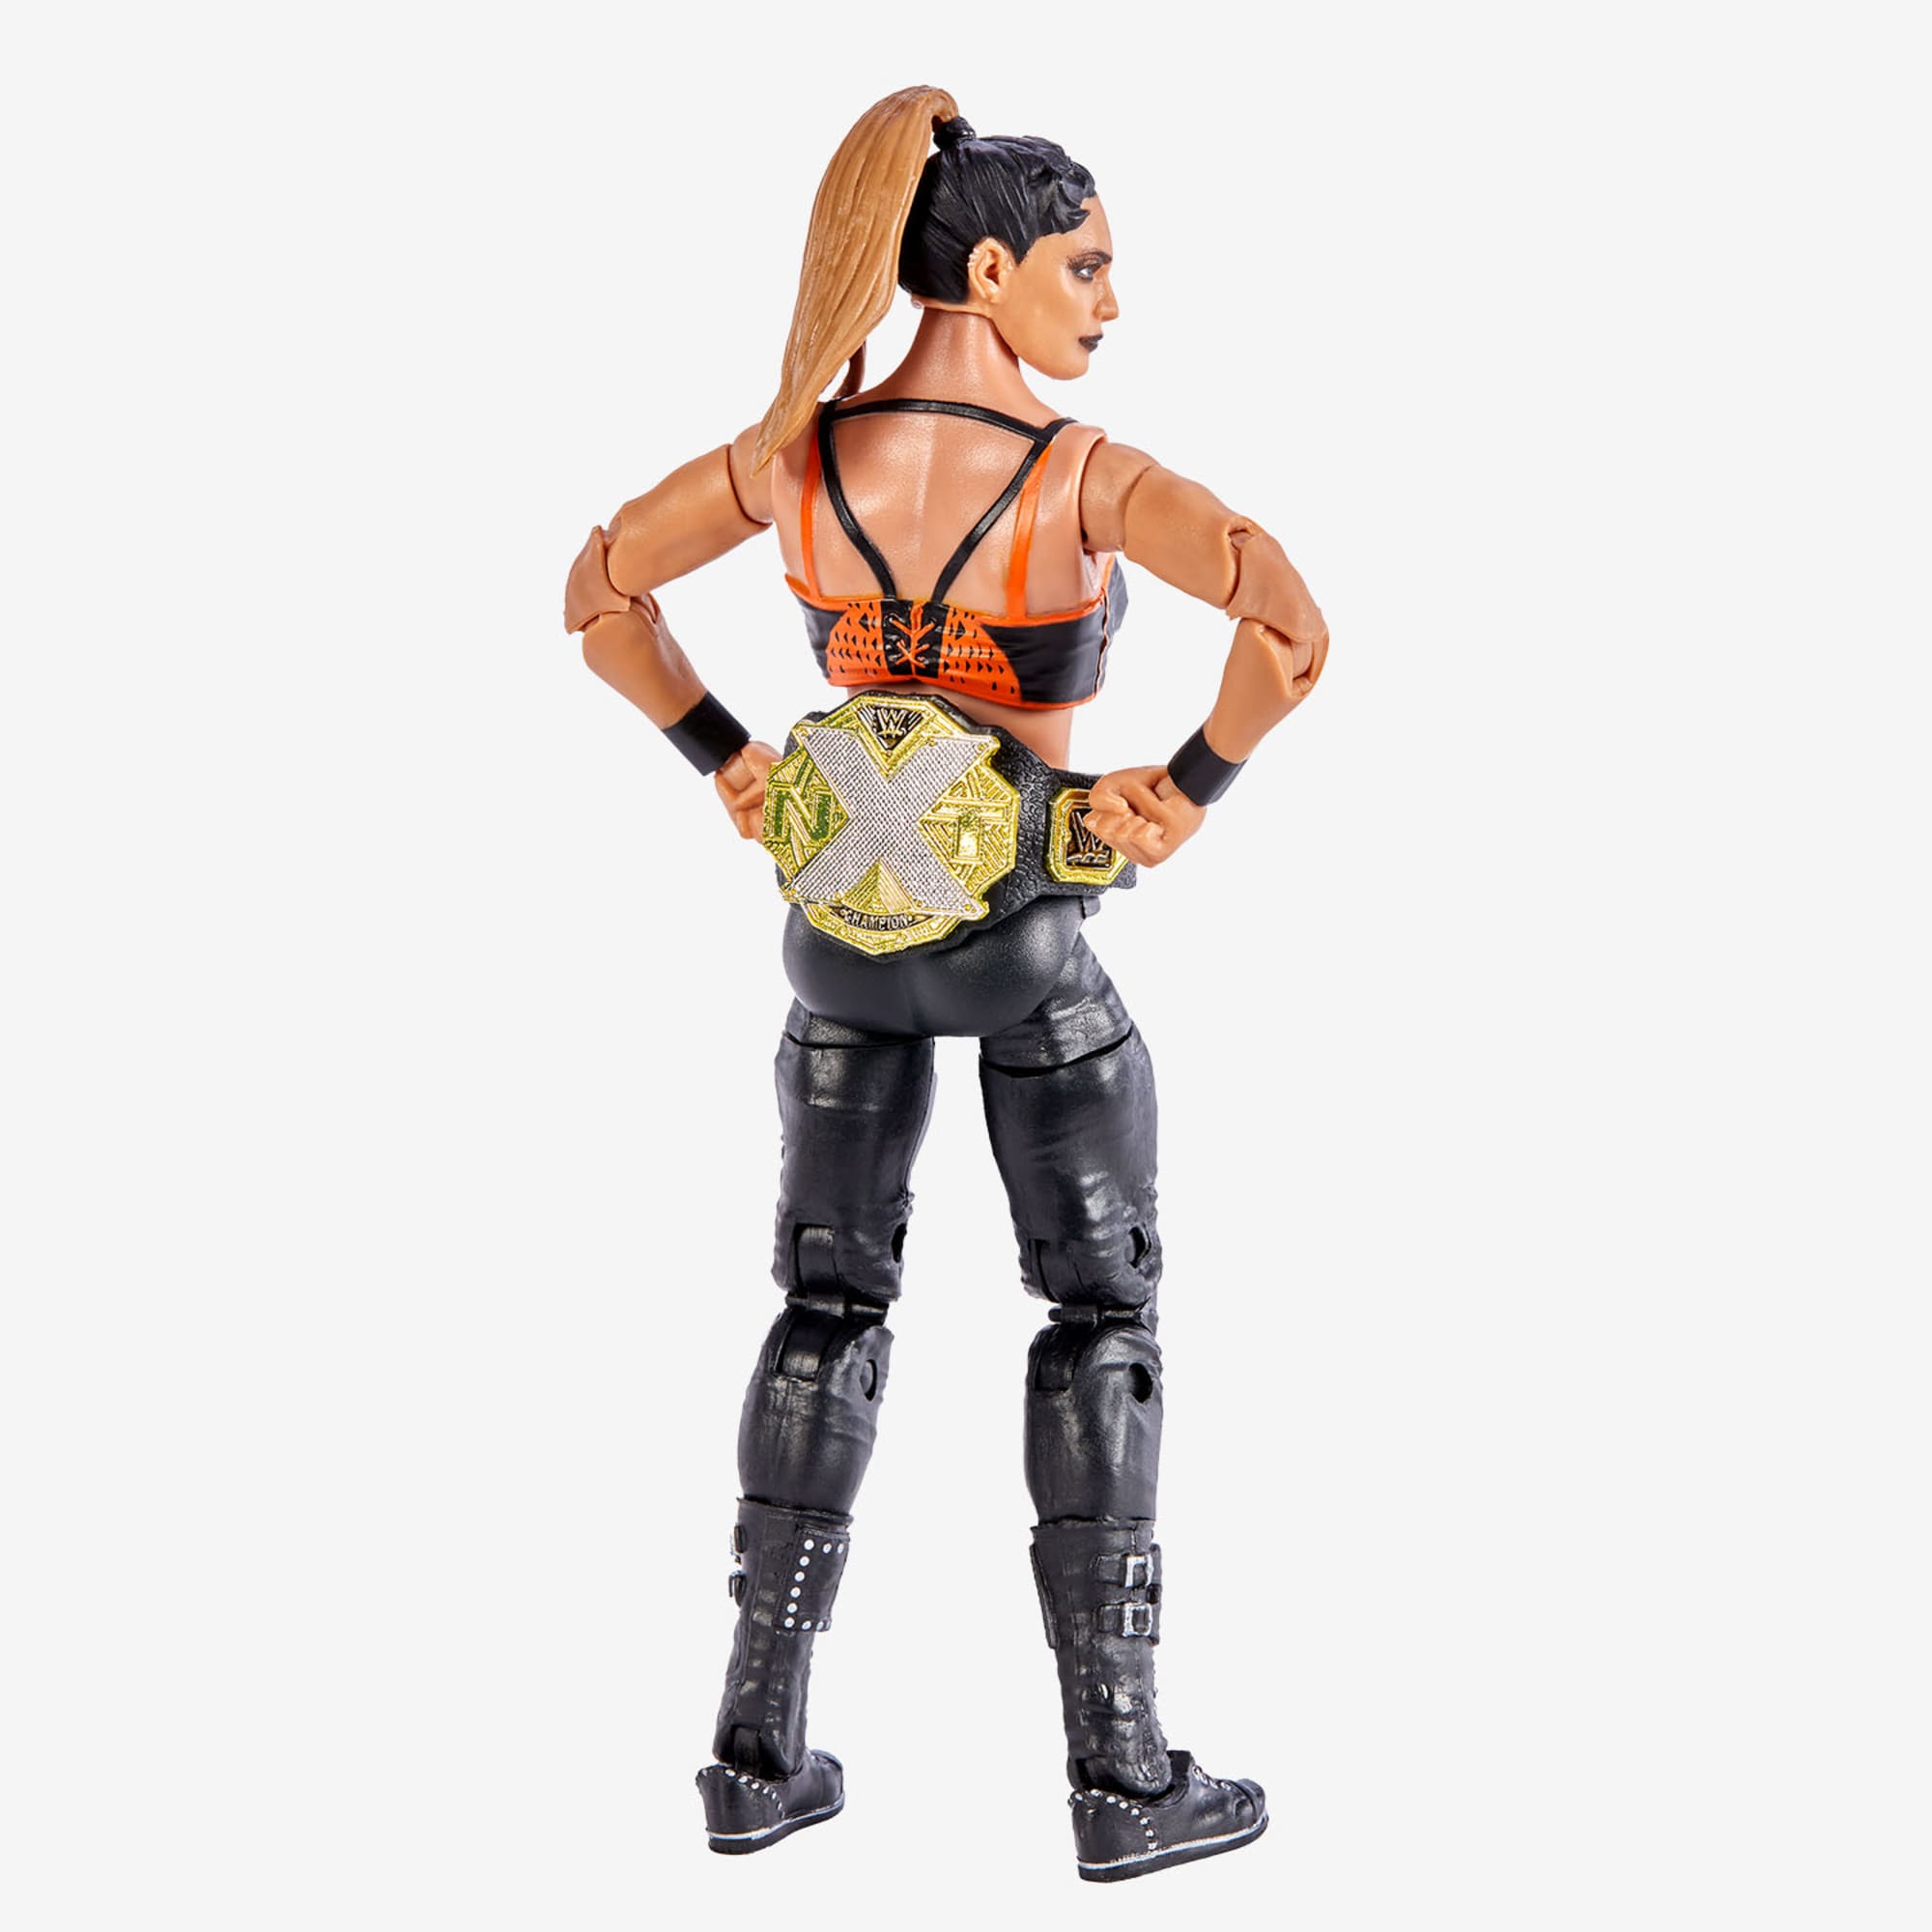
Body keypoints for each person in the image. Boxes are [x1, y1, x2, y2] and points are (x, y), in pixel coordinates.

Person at [564, 86, 1327, 1881]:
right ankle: (1121, 1779)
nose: (1111, 303)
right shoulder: (1082, 477)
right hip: (1028, 947)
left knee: (825, 1309)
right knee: (1100, 1321)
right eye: (1088, 267)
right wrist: (1185, 791)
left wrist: (734, 764)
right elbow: (1292, 628)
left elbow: (598, 596)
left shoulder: (792, 459)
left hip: (841, 945)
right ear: (991, 272)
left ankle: (754, 1755)